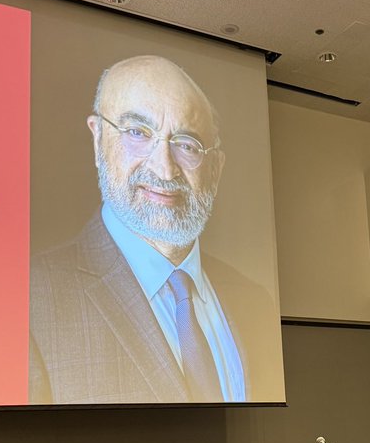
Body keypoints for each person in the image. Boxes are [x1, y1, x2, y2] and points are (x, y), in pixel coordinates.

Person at [30, 55, 260, 404]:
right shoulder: (31, 301)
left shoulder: (253, 299)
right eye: (138, 133)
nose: (164, 170)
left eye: (186, 145)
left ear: (215, 168)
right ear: (98, 139)